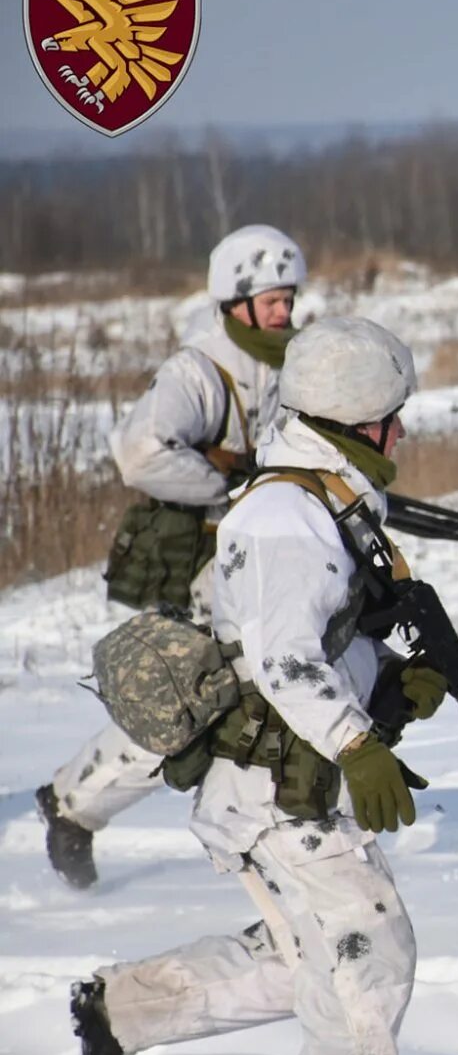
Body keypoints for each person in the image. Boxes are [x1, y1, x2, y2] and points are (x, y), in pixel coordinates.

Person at [70, 316, 450, 1055]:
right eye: (396, 412)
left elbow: (310, 638)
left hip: (279, 774)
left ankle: (122, 1011)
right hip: (278, 783)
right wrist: (359, 741)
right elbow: (281, 658)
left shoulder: (321, 496)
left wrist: (391, 678)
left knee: (309, 957)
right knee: (368, 942)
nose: (404, 429)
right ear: (361, 416)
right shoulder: (288, 511)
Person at [37, 225, 308, 890]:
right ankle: (74, 804)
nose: (284, 311)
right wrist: (229, 485)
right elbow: (141, 452)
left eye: (288, 298)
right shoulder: (199, 371)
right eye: (272, 299)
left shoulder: (289, 363)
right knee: (187, 703)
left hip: (252, 557)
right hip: (195, 563)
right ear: (235, 301)